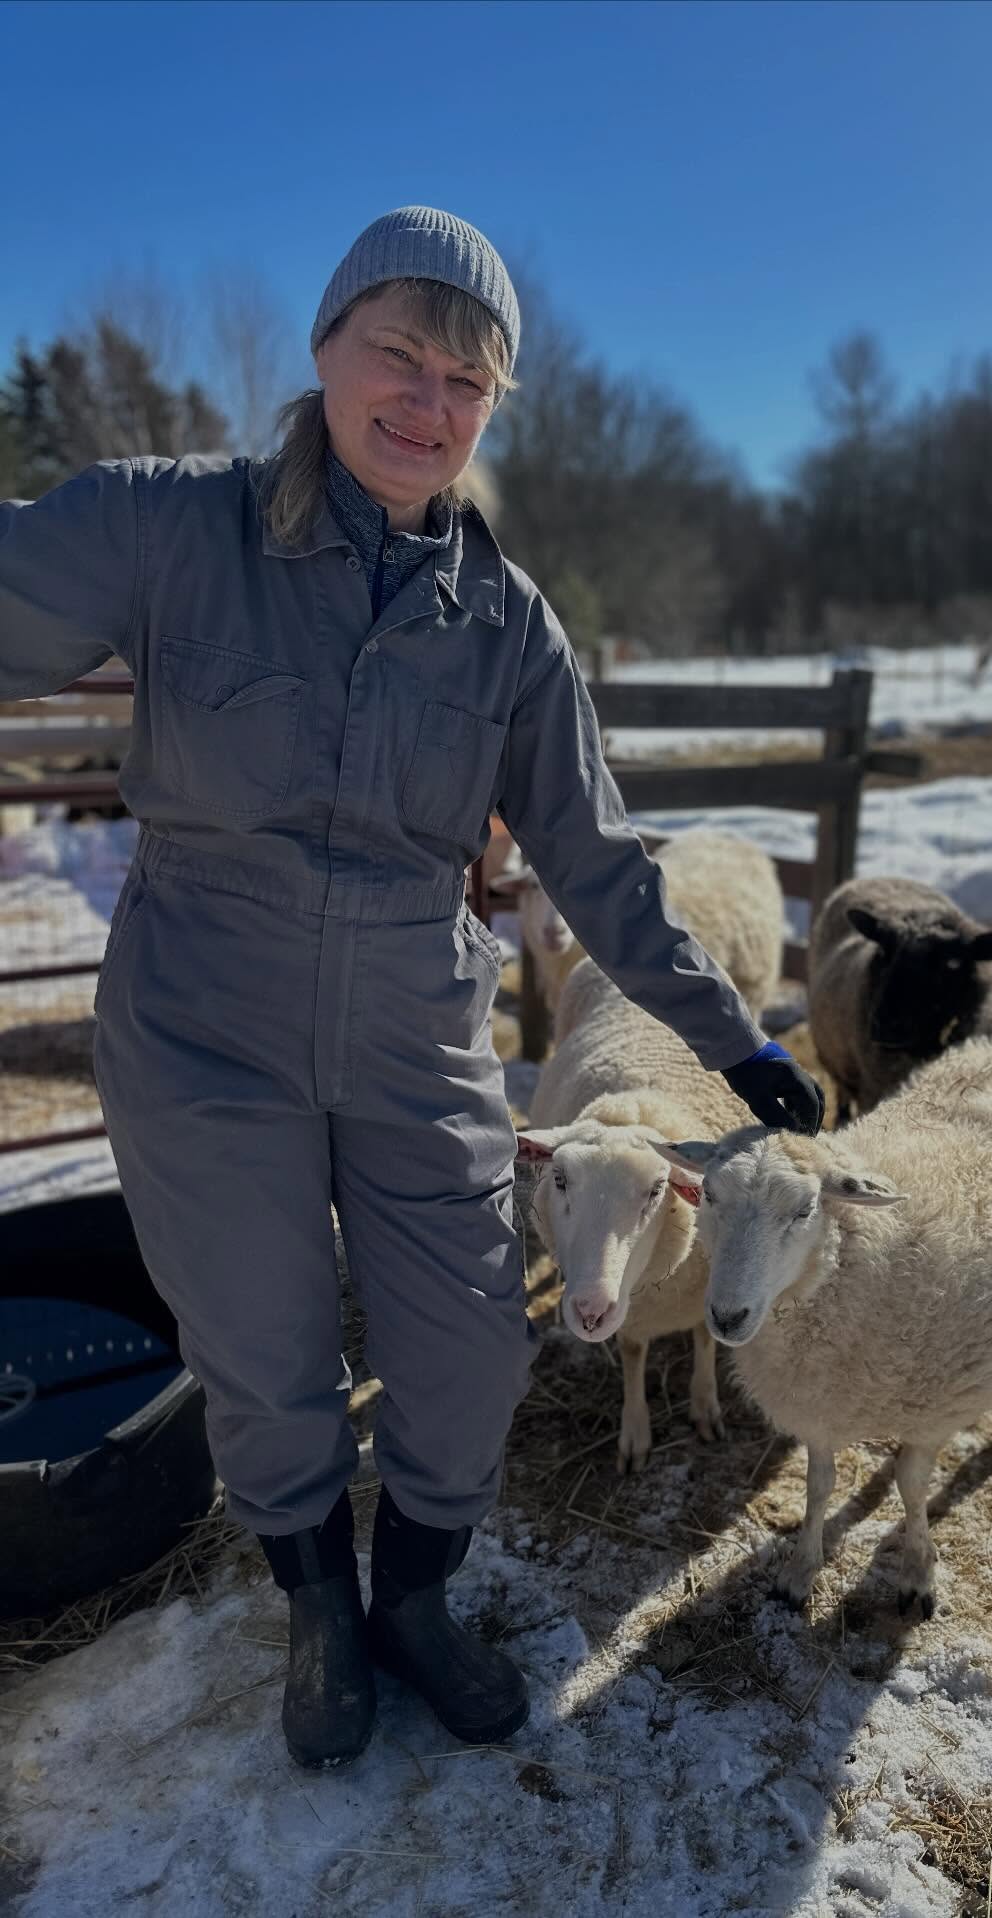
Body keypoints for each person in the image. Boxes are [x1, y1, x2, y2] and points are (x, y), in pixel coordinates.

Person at [0, 207, 823, 1769]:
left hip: (411, 1015)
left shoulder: (507, 626)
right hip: (201, 1011)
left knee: (467, 1340)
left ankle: (416, 1598)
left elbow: (600, 859)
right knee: (261, 1339)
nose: (428, 401)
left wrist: (737, 1040)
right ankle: (317, 1606)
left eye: (469, 379)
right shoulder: (171, 528)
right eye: (401, 352)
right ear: (327, 350)